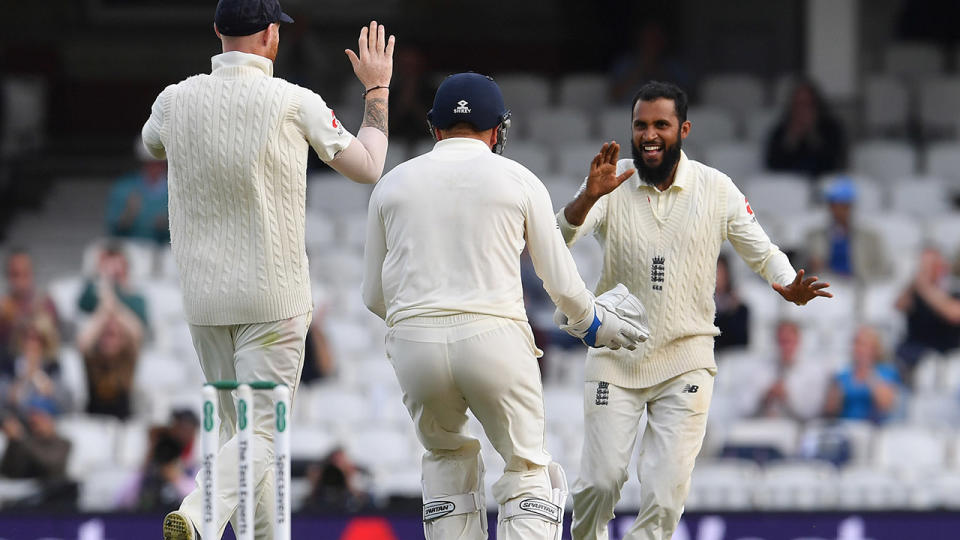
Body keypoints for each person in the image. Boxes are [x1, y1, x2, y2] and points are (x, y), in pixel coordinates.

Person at [141, 0, 395, 537]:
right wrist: (376, 91)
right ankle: (199, 516)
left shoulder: (174, 99)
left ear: (216, 31)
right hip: (273, 297)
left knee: (244, 438)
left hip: (205, 302)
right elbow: (369, 166)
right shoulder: (292, 100)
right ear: (272, 36)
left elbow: (151, 140)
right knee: (260, 435)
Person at [362, 72, 649, 540]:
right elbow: (560, 281)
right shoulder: (518, 178)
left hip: (415, 345)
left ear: (435, 129)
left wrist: (421, 323)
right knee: (529, 470)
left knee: (447, 464)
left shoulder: (391, 185)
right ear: (498, 131)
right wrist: (591, 323)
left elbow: (374, 296)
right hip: (495, 341)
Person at [556, 80, 832, 540]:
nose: (649, 134)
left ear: (683, 128)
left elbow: (762, 250)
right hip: (616, 356)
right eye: (640, 125)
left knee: (665, 497)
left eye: (661, 124)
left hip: (686, 359)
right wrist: (588, 197)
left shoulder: (716, 188)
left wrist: (786, 282)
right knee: (600, 485)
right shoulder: (611, 180)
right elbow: (555, 239)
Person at [76, 276, 143, 419]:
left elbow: (137, 332)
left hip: (123, 426)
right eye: (105, 335)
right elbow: (83, 341)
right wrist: (104, 312)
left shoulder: (127, 361)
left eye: (114, 335)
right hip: (92, 425)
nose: (109, 340)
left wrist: (112, 304)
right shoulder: (93, 360)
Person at [804, 176, 889, 284]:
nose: (839, 211)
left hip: (859, 287)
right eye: (834, 206)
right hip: (826, 285)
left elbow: (885, 268)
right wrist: (812, 266)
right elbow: (800, 268)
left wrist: (866, 276)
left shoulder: (871, 238)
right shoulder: (814, 236)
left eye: (844, 206)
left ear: (851, 207)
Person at [894, 246, 960, 378]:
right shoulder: (913, 290)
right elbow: (899, 306)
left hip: (946, 350)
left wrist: (925, 287)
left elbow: (953, 314)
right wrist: (916, 282)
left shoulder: (953, 289)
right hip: (915, 349)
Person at [764, 79, 847, 178]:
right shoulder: (781, 131)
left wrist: (814, 136)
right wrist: (791, 139)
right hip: (789, 186)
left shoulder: (831, 129)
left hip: (823, 184)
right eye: (798, 104)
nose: (802, 110)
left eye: (807, 105)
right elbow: (772, 166)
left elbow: (836, 164)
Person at [823, 325, 899, 422]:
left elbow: (886, 404)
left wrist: (869, 373)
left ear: (875, 349)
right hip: (846, 426)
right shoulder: (844, 374)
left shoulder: (886, 372)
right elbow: (830, 409)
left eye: (864, 345)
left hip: (875, 429)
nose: (859, 349)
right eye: (856, 344)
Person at [754, 320, 826, 421]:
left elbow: (813, 413)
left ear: (798, 341)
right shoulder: (761, 369)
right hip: (765, 427)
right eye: (781, 342)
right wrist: (765, 397)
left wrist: (787, 397)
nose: (785, 347)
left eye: (789, 341)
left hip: (798, 430)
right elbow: (743, 410)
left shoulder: (813, 372)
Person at [105, 138, 170, 245]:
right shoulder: (124, 188)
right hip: (132, 246)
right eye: (149, 163)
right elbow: (112, 228)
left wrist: (168, 225)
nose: (155, 168)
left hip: (167, 248)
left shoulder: (177, 191)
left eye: (158, 163)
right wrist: (126, 217)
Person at [0, 249, 59, 365]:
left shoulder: (46, 304)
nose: (20, 281)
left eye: (25, 274)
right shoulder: (2, 308)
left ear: (32, 273)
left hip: (44, 367)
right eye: (15, 274)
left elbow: (51, 340)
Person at [77, 243, 149, 328]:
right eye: (107, 265)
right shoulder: (93, 290)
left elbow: (140, 321)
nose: (113, 269)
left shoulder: (137, 297)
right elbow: (83, 305)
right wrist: (104, 282)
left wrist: (111, 295)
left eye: (118, 264)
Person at [713, 252, 750, 351]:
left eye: (720, 272)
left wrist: (731, 313)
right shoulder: (699, 308)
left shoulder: (739, 308)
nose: (717, 277)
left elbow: (741, 341)